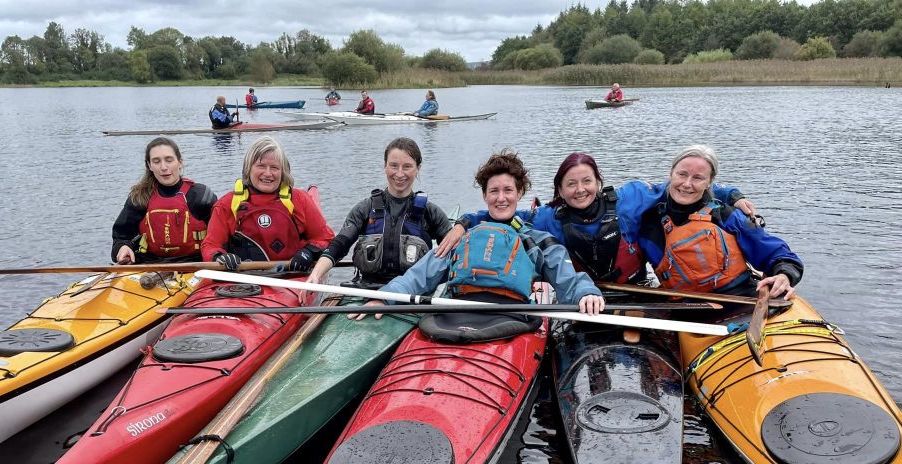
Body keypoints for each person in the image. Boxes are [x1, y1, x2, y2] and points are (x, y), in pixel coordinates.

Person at [439, 151, 755, 286]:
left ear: (598, 182)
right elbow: (505, 214)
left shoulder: (630, 199)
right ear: (560, 191)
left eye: (587, 181)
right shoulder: (548, 217)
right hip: (585, 300)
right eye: (571, 184)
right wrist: (465, 222)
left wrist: (731, 195)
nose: (580, 190)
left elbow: (682, 187)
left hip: (637, 293)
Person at [358, 150, 605, 318]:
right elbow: (419, 276)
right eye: (493, 191)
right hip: (457, 314)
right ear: (485, 195)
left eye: (508, 190)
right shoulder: (462, 237)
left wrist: (587, 293)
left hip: (512, 319)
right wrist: (384, 299)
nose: (500, 198)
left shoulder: (535, 240)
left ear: (519, 194)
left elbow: (567, 278)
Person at [623, 144, 802, 299]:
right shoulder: (647, 223)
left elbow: (779, 255)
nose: (686, 184)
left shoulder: (726, 216)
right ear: (671, 174)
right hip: (685, 308)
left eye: (698, 178)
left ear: (709, 182)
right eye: (681, 174)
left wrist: (784, 275)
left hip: (741, 297)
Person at [305, 137, 456, 286]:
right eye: (394, 166)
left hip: (412, 294)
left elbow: (456, 254)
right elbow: (339, 245)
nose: (399, 174)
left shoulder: (431, 213)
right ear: (385, 166)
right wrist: (316, 274)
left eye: (407, 167)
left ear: (418, 168)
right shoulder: (365, 209)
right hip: (368, 289)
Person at [202, 136, 334, 270]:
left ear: (283, 172)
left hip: (292, 275)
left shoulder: (299, 200)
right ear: (248, 169)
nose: (268, 173)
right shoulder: (226, 204)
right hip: (245, 281)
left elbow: (326, 238)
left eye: (275, 168)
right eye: (261, 166)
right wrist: (218, 257)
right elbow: (210, 245)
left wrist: (309, 253)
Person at [111, 137, 217, 265]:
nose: (163, 167)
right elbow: (121, 236)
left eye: (169, 160)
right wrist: (122, 247)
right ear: (150, 166)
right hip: (149, 265)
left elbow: (220, 235)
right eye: (156, 161)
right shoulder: (140, 197)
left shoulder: (201, 196)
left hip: (196, 264)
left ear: (180, 162)